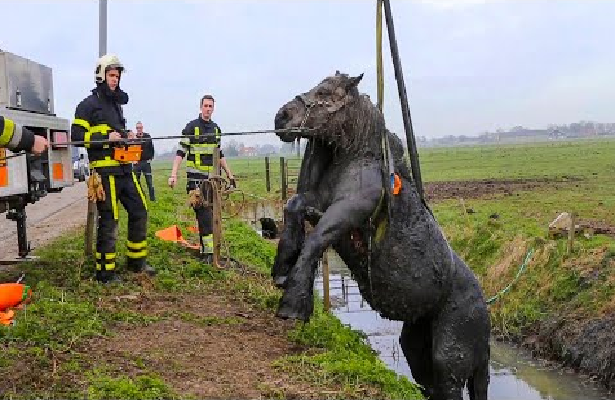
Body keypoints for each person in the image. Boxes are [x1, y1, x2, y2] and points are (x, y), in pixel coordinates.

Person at [71, 54, 155, 283]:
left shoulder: (116, 105)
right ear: (101, 75)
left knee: (140, 209)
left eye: (117, 76)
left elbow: (117, 134)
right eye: (111, 75)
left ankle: (136, 262)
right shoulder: (87, 105)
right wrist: (105, 136)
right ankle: (105, 274)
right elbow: (76, 137)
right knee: (110, 219)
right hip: (104, 173)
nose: (115, 80)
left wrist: (127, 136)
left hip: (125, 169)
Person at [168, 94, 235, 262]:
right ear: (200, 107)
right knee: (204, 215)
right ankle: (208, 254)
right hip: (196, 182)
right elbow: (180, 152)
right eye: (205, 106)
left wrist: (229, 174)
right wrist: (173, 174)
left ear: (213, 108)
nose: (208, 109)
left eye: (210, 106)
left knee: (211, 216)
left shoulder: (216, 129)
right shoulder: (191, 128)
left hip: (213, 181)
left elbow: (219, 154)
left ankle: (209, 251)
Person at [133, 121, 156, 201]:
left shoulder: (147, 136)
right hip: (137, 163)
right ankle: (140, 197)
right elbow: (131, 150)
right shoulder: (134, 138)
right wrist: (133, 160)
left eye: (140, 128)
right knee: (136, 182)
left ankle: (152, 199)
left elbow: (151, 148)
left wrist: (151, 158)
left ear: (142, 128)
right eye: (137, 128)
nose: (139, 129)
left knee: (149, 182)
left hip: (146, 163)